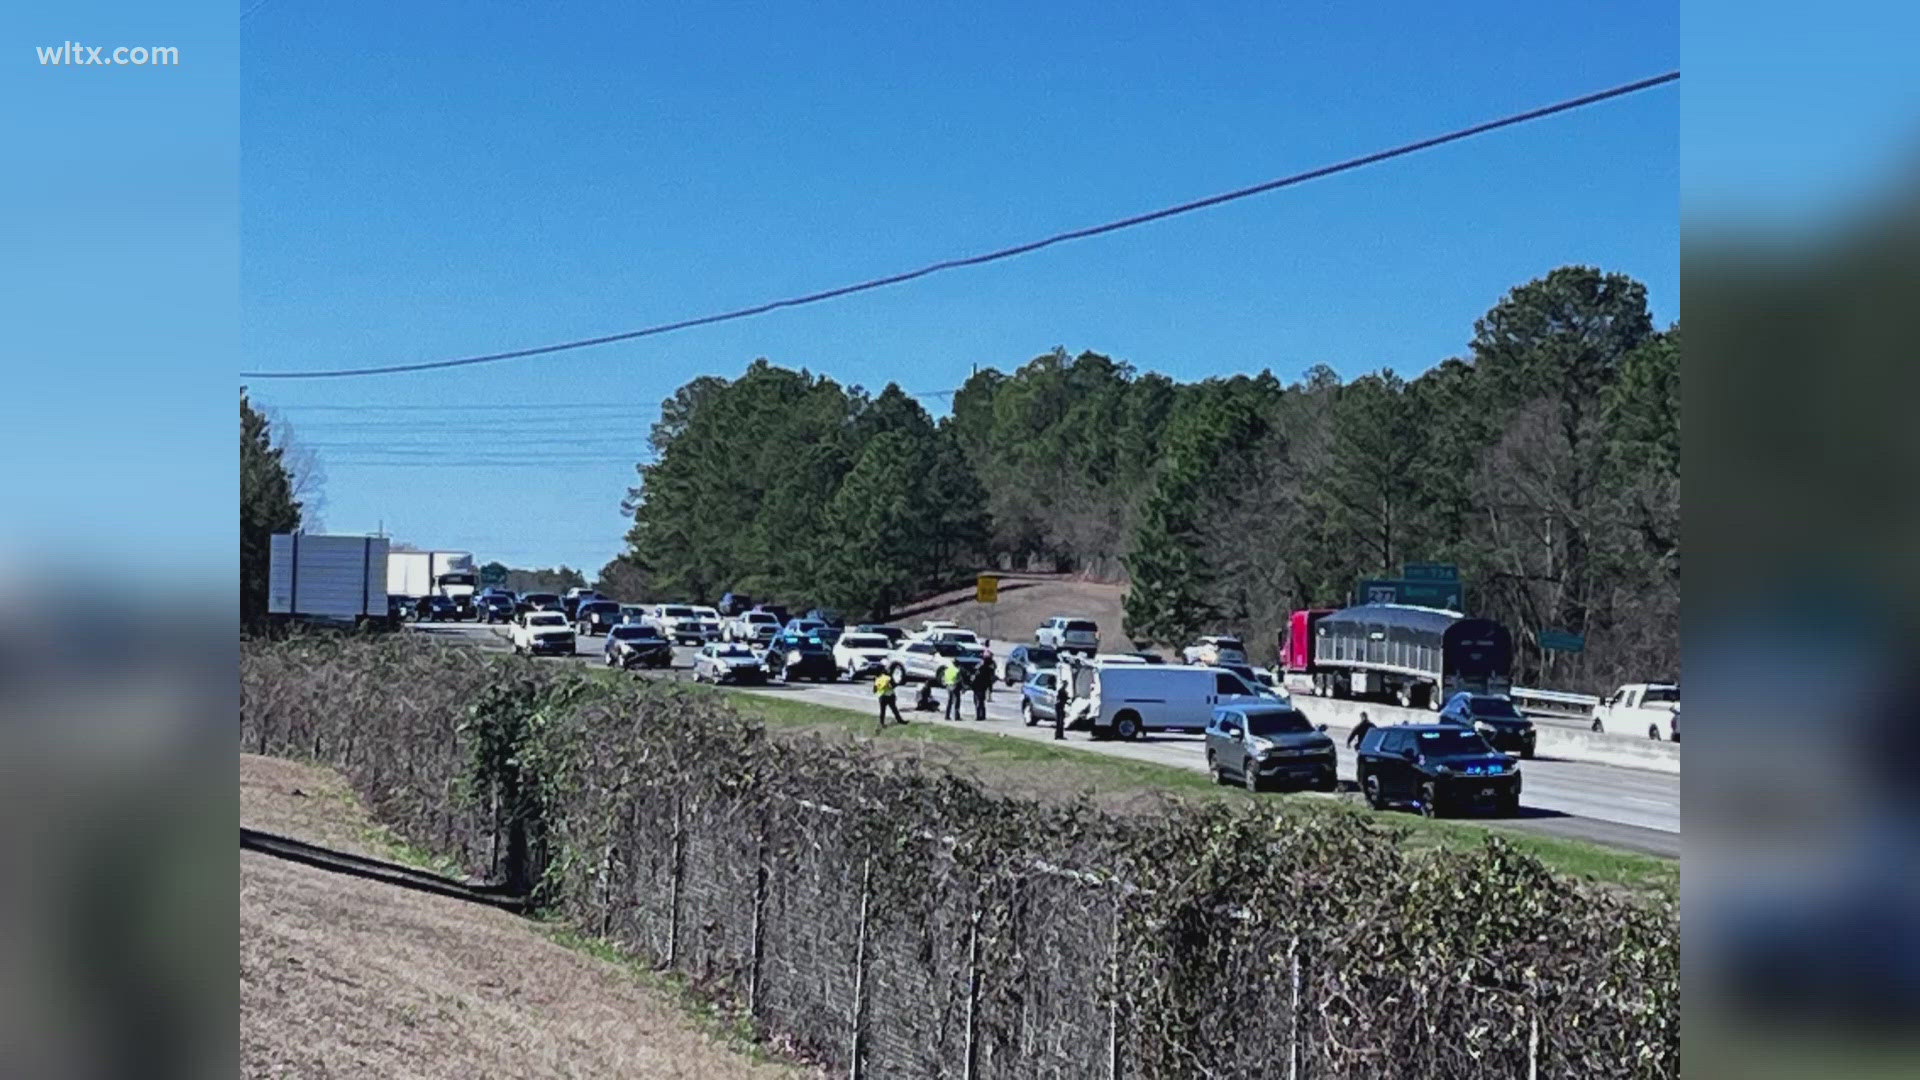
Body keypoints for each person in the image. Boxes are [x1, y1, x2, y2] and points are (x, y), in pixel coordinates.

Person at [1053, 674, 1069, 741]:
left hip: (1061, 706)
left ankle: (1060, 735)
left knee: (1060, 721)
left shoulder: (1063, 690)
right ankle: (1058, 735)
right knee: (1059, 721)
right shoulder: (1061, 690)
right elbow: (1061, 699)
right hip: (1059, 706)